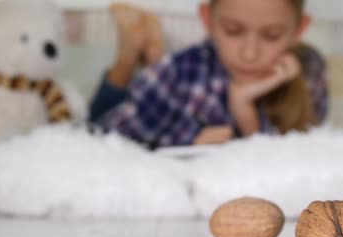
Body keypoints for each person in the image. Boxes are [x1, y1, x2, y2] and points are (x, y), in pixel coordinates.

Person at [90, 0, 328, 150]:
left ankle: (147, 50)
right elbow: (98, 137)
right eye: (233, 31)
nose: (249, 53)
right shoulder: (177, 73)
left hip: (154, 96)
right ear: (207, 19)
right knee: (98, 116)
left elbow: (294, 160)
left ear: (299, 29)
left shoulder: (308, 69)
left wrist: (244, 110)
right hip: (112, 112)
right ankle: (128, 56)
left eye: (271, 35)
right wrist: (186, 139)